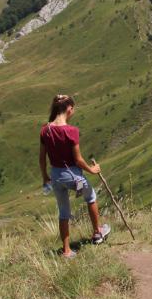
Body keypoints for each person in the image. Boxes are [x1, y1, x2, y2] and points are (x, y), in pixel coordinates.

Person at [39, 94, 110, 257]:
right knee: (91, 197)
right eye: (73, 109)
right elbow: (78, 160)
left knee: (63, 212)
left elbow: (42, 158)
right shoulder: (72, 131)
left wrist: (45, 177)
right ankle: (97, 233)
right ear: (69, 109)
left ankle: (66, 250)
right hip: (73, 175)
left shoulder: (45, 130)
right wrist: (92, 170)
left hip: (56, 176)